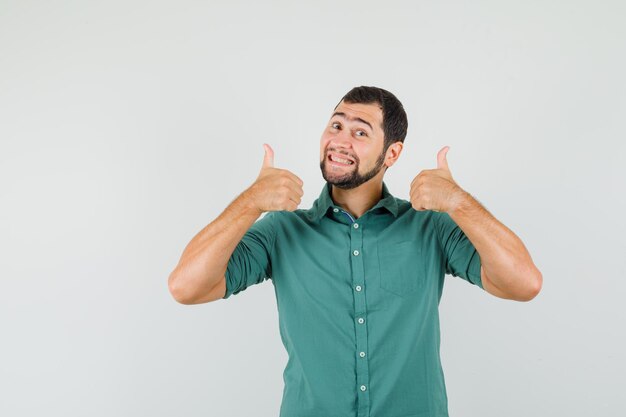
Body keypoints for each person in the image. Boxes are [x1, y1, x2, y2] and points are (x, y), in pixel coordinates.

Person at [167, 86, 543, 417]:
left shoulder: (429, 227)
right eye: (336, 125)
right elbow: (186, 287)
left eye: (360, 132)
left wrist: (459, 202)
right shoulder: (283, 230)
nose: (341, 140)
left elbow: (523, 283)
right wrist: (250, 202)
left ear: (392, 153)